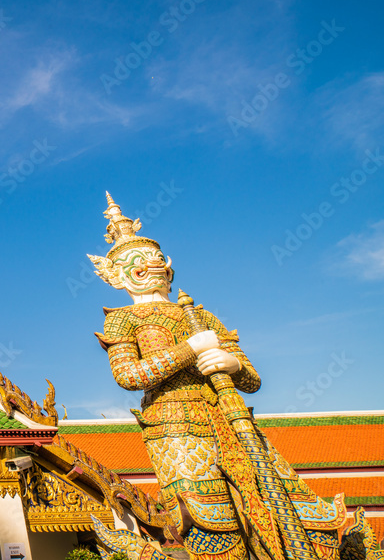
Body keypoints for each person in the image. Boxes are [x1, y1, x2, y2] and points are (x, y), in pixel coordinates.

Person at [87, 193, 345, 560]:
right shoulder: (122, 319)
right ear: (118, 275)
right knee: (213, 523)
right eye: (140, 263)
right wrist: (190, 349)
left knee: (289, 512)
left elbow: (252, 380)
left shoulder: (201, 315)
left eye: (158, 259)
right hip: (176, 429)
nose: (154, 266)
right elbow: (130, 375)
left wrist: (232, 364)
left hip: (231, 418)